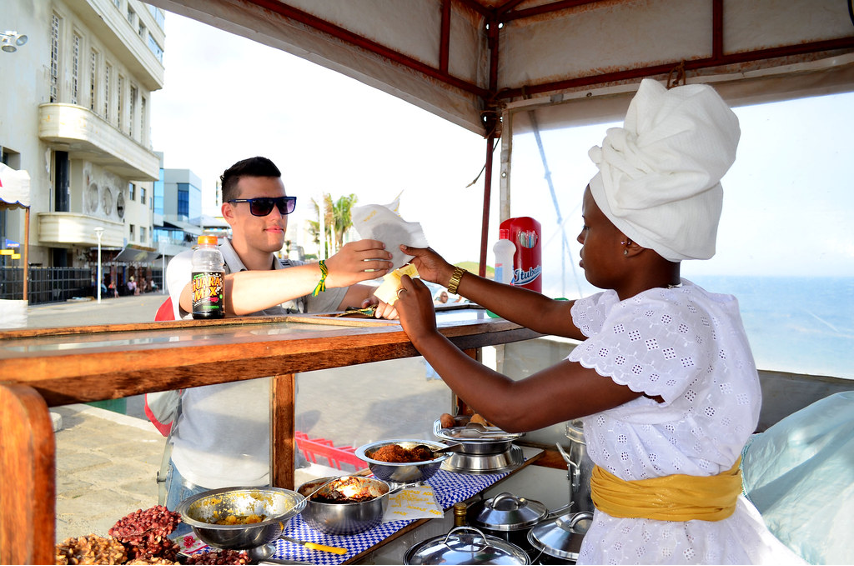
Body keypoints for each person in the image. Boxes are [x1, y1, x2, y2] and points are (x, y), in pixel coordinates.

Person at [393, 79, 804, 564]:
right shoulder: (664, 304)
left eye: (589, 225)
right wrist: (450, 275)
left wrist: (426, 334)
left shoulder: (659, 327)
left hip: (664, 545)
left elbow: (514, 410)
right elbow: (544, 311)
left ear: (630, 240)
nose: (581, 238)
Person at [161, 156, 397, 514]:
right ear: (229, 212)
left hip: (277, 472)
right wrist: (325, 270)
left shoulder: (295, 276)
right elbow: (212, 296)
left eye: (283, 205)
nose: (277, 216)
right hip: (204, 474)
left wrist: (395, 289)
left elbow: (364, 295)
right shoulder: (195, 263)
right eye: (260, 205)